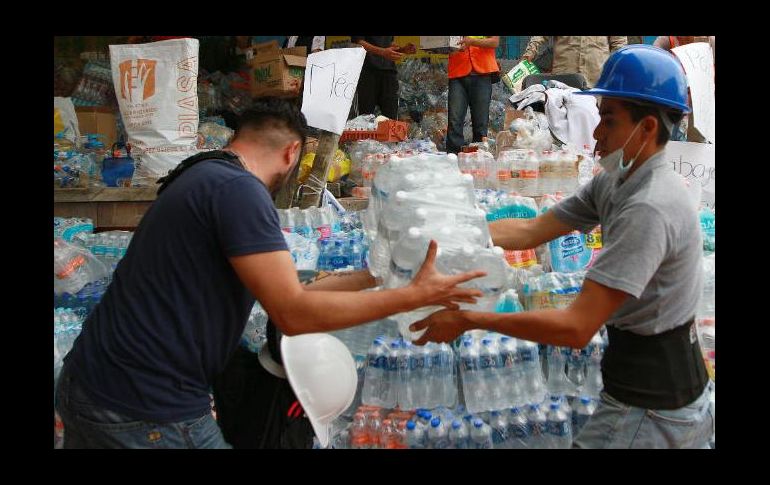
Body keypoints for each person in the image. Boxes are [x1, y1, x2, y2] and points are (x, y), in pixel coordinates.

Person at [55, 97, 485, 449]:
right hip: (142, 403)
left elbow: (292, 286)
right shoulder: (239, 192)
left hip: (99, 382)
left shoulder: (206, 175)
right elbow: (293, 313)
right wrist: (413, 296)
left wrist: (383, 274)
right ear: (292, 151)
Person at [410, 45, 713, 449]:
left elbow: (575, 327)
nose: (596, 133)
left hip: (655, 404)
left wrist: (471, 320)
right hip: (634, 391)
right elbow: (533, 230)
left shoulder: (650, 206)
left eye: (608, 120)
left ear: (647, 129)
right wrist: (447, 233)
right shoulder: (618, 178)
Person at [445, 36, 500, 155]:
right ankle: (453, 158)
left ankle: (479, 159)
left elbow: (494, 42)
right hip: (457, 72)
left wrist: (472, 41)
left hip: (482, 72)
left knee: (480, 123)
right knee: (454, 120)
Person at [522, 36, 628, 87]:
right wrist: (530, 52)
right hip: (564, 76)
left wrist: (615, 71)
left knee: (595, 117)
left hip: (596, 77)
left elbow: (619, 44)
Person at [350, 36, 403, 119]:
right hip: (367, 72)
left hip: (389, 72)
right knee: (364, 118)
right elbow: (358, 42)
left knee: (391, 117)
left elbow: (388, 43)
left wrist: (402, 49)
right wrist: (383, 52)